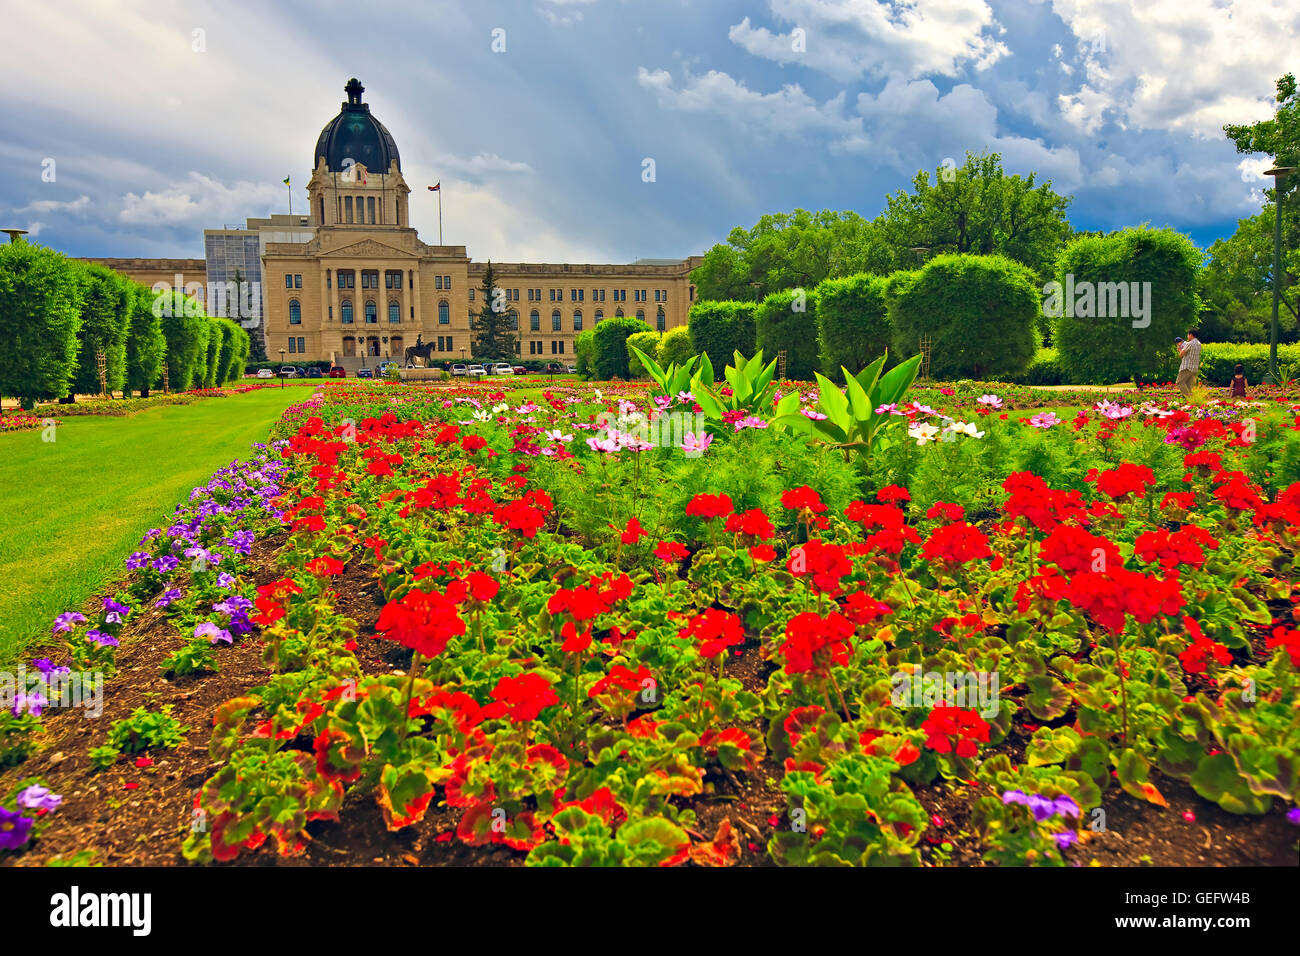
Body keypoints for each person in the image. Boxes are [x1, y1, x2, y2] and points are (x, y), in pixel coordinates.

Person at [1176, 330, 1202, 397]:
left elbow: (1181, 354)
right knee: (1188, 385)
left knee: (1179, 382)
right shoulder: (1199, 344)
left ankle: (1189, 399)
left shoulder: (1189, 343)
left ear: (1191, 335)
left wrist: (1179, 349)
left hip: (1186, 367)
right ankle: (1192, 402)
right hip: (1194, 368)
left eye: (1188, 334)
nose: (1187, 336)